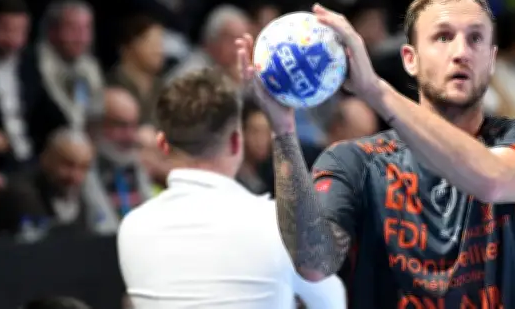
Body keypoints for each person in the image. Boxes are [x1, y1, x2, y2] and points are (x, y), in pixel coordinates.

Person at [237, 0, 515, 308]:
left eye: (475, 38)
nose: (461, 52)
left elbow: (492, 181)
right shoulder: (354, 161)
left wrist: (376, 91)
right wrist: (282, 130)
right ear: (410, 59)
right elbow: (313, 263)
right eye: (443, 37)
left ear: (492, 60)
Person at [116, 69, 345, 309]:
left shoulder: (132, 227)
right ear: (237, 142)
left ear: (162, 144)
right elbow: (333, 303)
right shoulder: (277, 224)